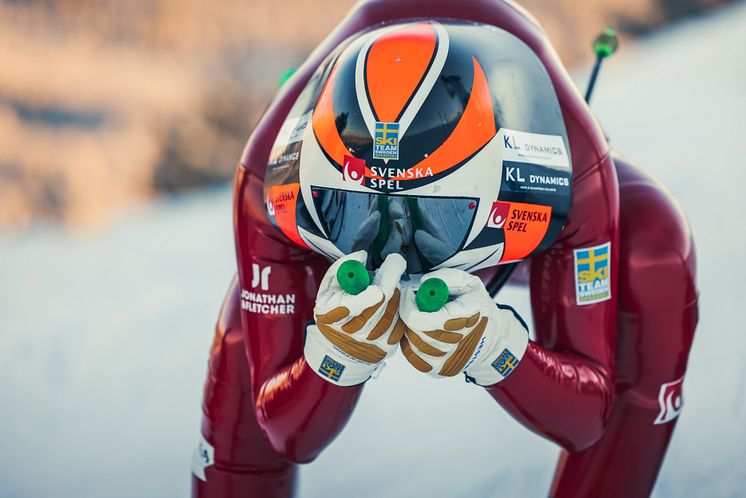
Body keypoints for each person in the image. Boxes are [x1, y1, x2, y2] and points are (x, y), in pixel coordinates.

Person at [190, 1, 698, 497]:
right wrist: (335, 356)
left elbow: (587, 418)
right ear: (317, 176)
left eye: (437, 214)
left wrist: (495, 348)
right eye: (356, 211)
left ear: (505, 189)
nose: (400, 256)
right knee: (248, 333)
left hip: (522, 211)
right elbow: (284, 434)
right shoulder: (275, 179)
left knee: (654, 248)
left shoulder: (569, 172)